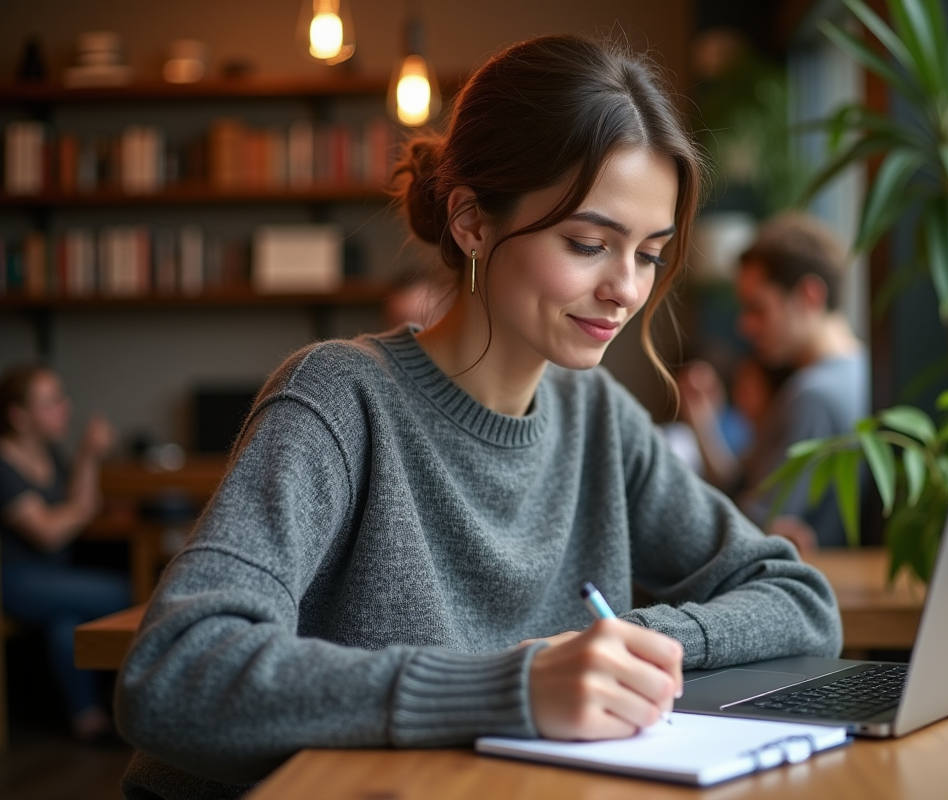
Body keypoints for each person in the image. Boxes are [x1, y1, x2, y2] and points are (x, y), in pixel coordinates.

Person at [114, 35, 841, 799]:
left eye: (650, 252)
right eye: (589, 243)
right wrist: (511, 687)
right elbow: (173, 672)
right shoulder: (338, 397)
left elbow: (800, 599)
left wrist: (641, 643)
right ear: (471, 223)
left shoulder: (595, 415)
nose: (626, 289)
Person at [679, 213, 870, 554]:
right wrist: (703, 425)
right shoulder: (863, 372)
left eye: (758, 308)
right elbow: (748, 489)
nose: (745, 326)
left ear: (809, 296)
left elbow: (750, 527)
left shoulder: (814, 395)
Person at [0, 363, 129, 742]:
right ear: (19, 416)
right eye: (51, 402)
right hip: (15, 581)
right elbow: (49, 533)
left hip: (52, 581)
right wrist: (83, 497)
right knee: (125, 591)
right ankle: (141, 706)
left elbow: (81, 504)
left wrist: (88, 456)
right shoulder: (3, 464)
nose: (65, 407)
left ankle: (87, 721)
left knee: (67, 621)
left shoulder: (49, 454)